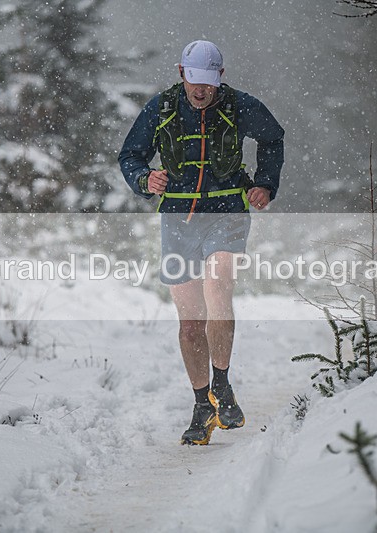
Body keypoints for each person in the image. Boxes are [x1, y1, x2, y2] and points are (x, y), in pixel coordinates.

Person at [118, 40, 284, 445]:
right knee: (190, 322)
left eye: (209, 82)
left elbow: (273, 138)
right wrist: (145, 179)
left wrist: (265, 183)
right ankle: (202, 404)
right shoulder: (160, 109)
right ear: (181, 73)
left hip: (227, 210)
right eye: (194, 80)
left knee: (217, 286)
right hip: (178, 219)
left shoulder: (240, 105)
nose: (201, 90)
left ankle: (222, 384)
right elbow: (131, 156)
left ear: (220, 78)